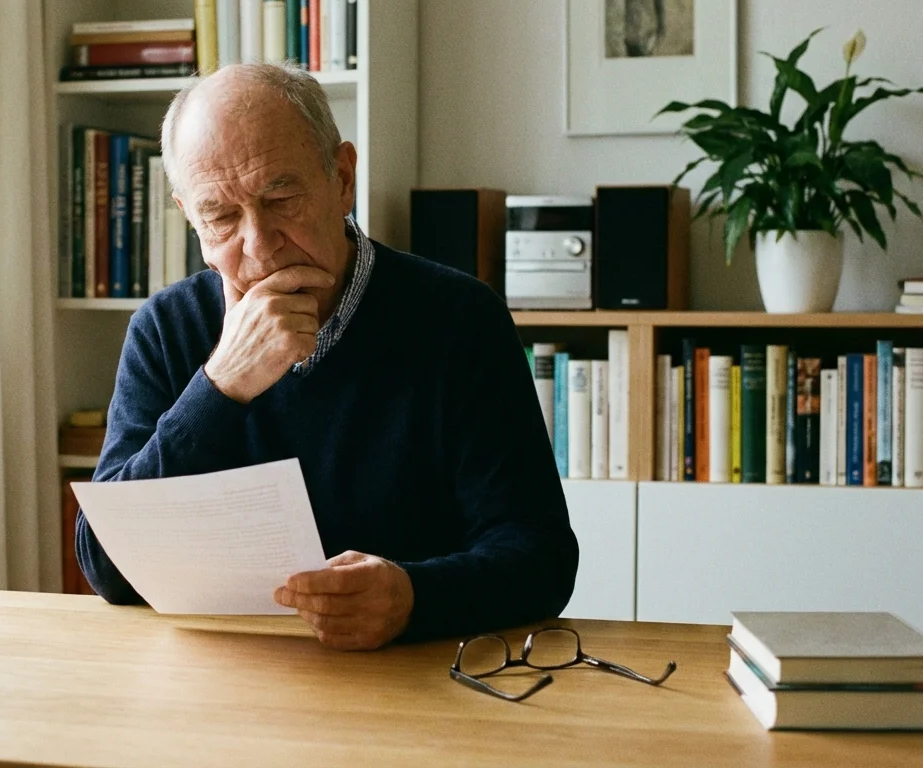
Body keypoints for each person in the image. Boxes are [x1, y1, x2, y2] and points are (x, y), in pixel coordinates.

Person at [76, 62, 578, 651]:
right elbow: (107, 567)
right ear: (188, 214)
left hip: (417, 683)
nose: (259, 245)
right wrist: (220, 387)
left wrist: (414, 597)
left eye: (281, 197)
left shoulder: (462, 320)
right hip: (225, 685)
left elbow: (540, 558)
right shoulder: (165, 329)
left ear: (342, 178)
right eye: (221, 217)